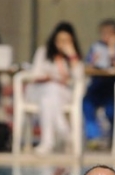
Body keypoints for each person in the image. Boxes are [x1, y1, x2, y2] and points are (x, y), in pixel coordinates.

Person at [26, 22, 84, 155]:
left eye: (66, 41)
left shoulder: (73, 58)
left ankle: (48, 142)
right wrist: (49, 76)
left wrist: (72, 55)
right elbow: (35, 73)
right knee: (50, 91)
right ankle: (64, 131)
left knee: (50, 97)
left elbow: (79, 79)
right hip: (39, 90)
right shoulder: (43, 52)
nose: (62, 44)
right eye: (60, 40)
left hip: (62, 94)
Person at [83, 19, 115, 148]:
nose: (106, 37)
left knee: (112, 111)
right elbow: (88, 66)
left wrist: (112, 52)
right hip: (97, 87)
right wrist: (93, 63)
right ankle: (93, 137)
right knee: (86, 105)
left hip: (113, 89)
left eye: (110, 34)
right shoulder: (96, 48)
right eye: (103, 33)